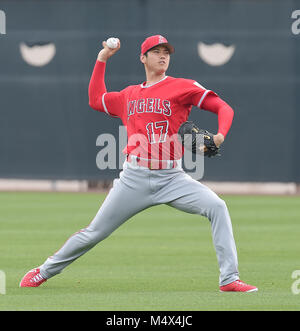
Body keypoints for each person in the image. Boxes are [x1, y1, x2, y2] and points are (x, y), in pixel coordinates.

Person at [20, 35, 257, 292]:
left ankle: (229, 279)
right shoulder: (129, 95)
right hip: (134, 177)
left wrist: (220, 135)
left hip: (171, 177)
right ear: (143, 58)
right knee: (94, 233)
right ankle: (43, 271)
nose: (163, 55)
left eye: (166, 51)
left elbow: (224, 107)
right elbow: (95, 99)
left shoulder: (183, 86)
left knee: (218, 207)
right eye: (156, 51)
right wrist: (101, 60)